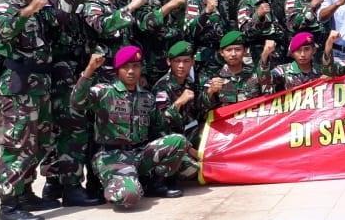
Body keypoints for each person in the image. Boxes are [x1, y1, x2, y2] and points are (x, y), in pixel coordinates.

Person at [0, 0, 59, 220]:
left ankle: (25, 192)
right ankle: (8, 205)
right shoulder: (5, 7)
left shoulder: (40, 3)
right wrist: (28, 11)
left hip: (38, 84)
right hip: (16, 86)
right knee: (18, 143)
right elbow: (2, 33)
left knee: (38, 141)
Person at [71, 48, 188, 209]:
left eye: (136, 66)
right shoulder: (104, 92)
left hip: (139, 154)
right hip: (113, 157)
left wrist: (177, 105)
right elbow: (77, 102)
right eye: (126, 67)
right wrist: (89, 70)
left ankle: (154, 184)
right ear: (118, 70)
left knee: (178, 141)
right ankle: (116, 184)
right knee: (129, 196)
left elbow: (160, 125)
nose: (131, 71)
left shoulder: (146, 97)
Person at [34, 0, 99, 206]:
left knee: (65, 129)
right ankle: (68, 186)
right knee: (71, 129)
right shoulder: (44, 3)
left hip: (71, 73)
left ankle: (56, 184)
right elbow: (58, 20)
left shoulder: (65, 1)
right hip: (56, 77)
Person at [130, 0, 187, 87]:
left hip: (164, 63)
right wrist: (170, 5)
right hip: (147, 66)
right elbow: (145, 25)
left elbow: (172, 26)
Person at [82, 0, 144, 82]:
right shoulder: (91, 6)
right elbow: (104, 26)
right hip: (102, 72)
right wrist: (131, 6)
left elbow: (132, 40)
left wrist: (142, 72)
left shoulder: (120, 6)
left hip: (125, 71)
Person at [153, 41, 201, 180]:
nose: (181, 66)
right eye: (177, 61)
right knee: (193, 168)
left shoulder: (191, 83)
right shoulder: (161, 87)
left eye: (186, 61)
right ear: (169, 62)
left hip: (189, 135)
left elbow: (199, 111)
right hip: (171, 141)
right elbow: (161, 123)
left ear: (192, 62)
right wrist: (179, 102)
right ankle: (164, 179)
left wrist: (209, 93)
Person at [184, 0, 236, 79]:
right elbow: (189, 31)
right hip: (203, 59)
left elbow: (230, 25)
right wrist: (206, 12)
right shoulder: (195, 0)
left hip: (224, 57)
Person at [202, 31, 275, 110]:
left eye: (238, 49)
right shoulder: (214, 78)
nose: (233, 54)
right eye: (228, 50)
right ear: (222, 53)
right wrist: (210, 91)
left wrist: (265, 55)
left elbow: (268, 92)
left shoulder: (255, 74)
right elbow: (202, 108)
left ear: (245, 51)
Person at [237, 0, 287, 69]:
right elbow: (244, 34)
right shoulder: (246, 2)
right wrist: (258, 16)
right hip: (257, 59)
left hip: (279, 56)